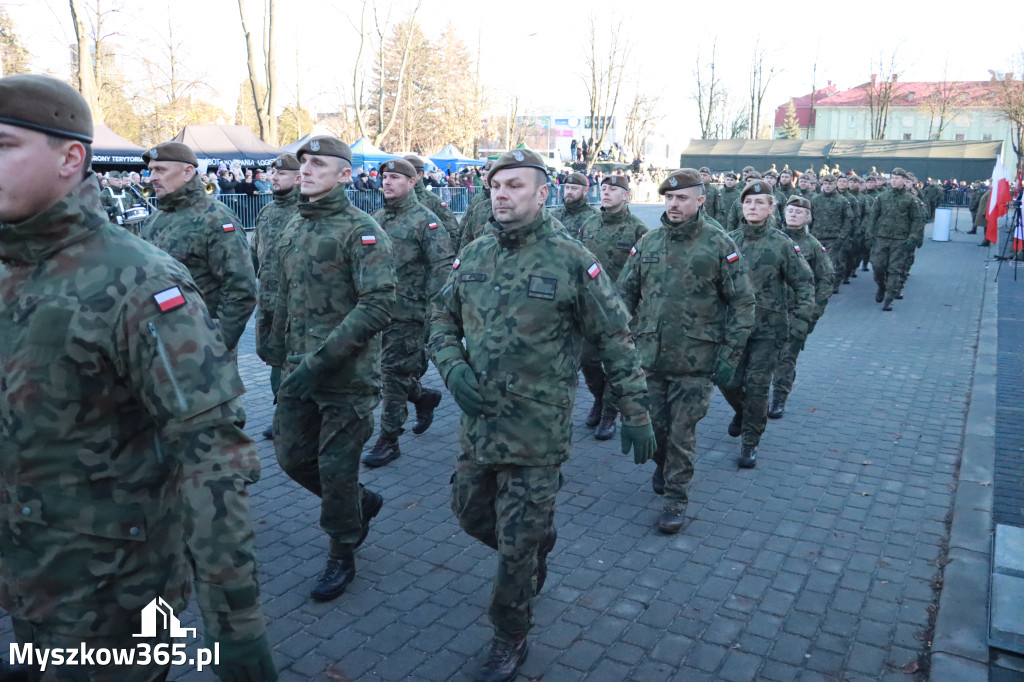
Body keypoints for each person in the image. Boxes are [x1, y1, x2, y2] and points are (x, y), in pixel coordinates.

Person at [0, 74, 276, 682]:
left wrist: (236, 627)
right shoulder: (11, 267)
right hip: (26, 575)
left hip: (113, 598)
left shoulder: (138, 282)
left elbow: (214, 460)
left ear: (71, 157)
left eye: (3, 145)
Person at [430, 149, 655, 682]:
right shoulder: (477, 253)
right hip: (479, 424)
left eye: (514, 185)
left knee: (513, 547)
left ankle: (510, 636)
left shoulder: (572, 260)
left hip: (538, 430)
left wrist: (635, 411)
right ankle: (536, 548)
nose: (501, 194)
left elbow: (615, 339)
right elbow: (440, 314)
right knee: (469, 514)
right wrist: (451, 366)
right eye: (495, 186)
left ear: (541, 193)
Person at [263, 135, 394, 602]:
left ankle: (342, 549)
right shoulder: (293, 226)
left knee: (337, 472)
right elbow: (281, 294)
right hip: (298, 369)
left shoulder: (362, 230)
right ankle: (360, 505)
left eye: (318, 164)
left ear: (345, 175)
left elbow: (379, 305)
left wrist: (322, 361)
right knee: (291, 456)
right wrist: (273, 347)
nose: (306, 170)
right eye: (304, 163)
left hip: (346, 377)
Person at [616, 169, 755, 533]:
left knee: (682, 433)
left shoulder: (718, 243)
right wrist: (619, 342)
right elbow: (623, 296)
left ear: (700, 200)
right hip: (650, 358)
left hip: (696, 361)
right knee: (656, 429)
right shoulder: (649, 242)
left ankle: (676, 500)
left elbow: (742, 303)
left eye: (681, 198)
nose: (673, 204)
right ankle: (662, 466)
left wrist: (730, 357)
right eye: (669, 198)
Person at [362, 158, 453, 467]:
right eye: (384, 177)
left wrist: (434, 315)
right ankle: (422, 397)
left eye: (395, 178)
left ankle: (389, 439)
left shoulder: (425, 222)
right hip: (375, 313)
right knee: (381, 374)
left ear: (412, 182)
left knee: (391, 374)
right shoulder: (375, 219)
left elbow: (442, 270)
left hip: (410, 313)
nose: (387, 182)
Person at [721, 180, 815, 468]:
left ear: (771, 208)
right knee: (727, 380)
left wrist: (800, 323)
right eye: (748, 202)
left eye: (759, 203)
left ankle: (750, 442)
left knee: (758, 386)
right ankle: (742, 411)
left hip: (768, 330)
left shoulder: (783, 244)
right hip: (733, 329)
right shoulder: (728, 240)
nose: (752, 207)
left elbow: (805, 284)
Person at [141, 141, 257, 352]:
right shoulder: (155, 219)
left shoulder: (216, 217)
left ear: (187, 172)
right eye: (151, 170)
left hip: (200, 347)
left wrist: (215, 345)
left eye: (160, 170)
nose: (152, 178)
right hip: (159, 343)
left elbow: (241, 290)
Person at [577, 175, 649, 438]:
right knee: (588, 361)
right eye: (604, 188)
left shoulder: (638, 230)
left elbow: (645, 273)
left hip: (623, 312)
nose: (606, 193)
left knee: (618, 365)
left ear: (626, 195)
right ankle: (599, 398)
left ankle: (609, 413)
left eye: (613, 189)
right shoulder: (589, 224)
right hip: (590, 308)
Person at [251, 153, 302, 440]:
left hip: (294, 304)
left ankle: (289, 417)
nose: (273, 177)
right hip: (267, 302)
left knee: (290, 362)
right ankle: (282, 412)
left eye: (281, 174)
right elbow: (255, 255)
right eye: (273, 173)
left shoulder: (305, 213)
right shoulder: (266, 211)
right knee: (273, 357)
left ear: (298, 178)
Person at [769, 196, 835, 419]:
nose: (793, 214)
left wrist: (812, 314)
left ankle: (779, 398)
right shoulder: (773, 239)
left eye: (799, 212)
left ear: (808, 217)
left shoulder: (814, 247)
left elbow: (826, 280)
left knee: (786, 358)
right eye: (790, 210)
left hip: (795, 312)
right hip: (766, 311)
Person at [863, 168, 918, 310]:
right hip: (881, 238)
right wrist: (869, 235)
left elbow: (916, 220)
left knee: (894, 270)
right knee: (878, 267)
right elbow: (872, 217)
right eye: (893, 178)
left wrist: (913, 237)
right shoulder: (882, 197)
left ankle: (889, 298)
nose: (894, 180)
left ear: (905, 181)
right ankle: (881, 287)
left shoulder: (910, 199)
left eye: (897, 178)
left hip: (900, 240)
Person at [404, 154, 463, 253]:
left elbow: (454, 232)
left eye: (407, 173)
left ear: (419, 175)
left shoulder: (433, 201)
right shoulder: (394, 200)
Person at [810, 174, 853, 294]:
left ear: (835, 185)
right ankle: (817, 284)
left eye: (830, 184)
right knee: (815, 263)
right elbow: (810, 218)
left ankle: (830, 285)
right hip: (816, 237)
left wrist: (842, 236)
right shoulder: (815, 199)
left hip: (834, 238)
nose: (827, 186)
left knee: (830, 264)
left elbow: (848, 220)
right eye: (825, 184)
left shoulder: (842, 201)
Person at [549, 171, 598, 239]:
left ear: (585, 190)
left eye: (574, 188)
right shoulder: (553, 215)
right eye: (567, 187)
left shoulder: (595, 217)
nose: (569, 192)